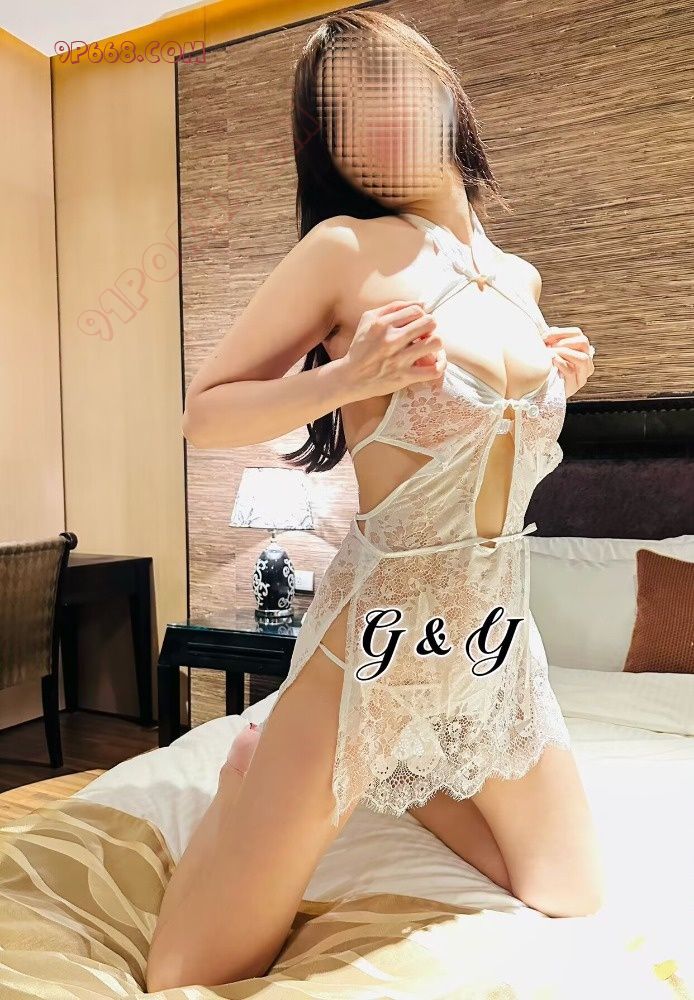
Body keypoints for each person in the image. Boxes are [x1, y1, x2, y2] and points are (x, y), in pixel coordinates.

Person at [147, 8, 601, 992]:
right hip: (374, 641)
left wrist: (555, 377)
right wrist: (345, 379)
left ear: (443, 90)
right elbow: (203, 416)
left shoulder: (518, 283)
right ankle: (254, 770)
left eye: (388, 83)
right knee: (193, 968)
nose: (375, 118)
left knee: (569, 891)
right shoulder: (344, 249)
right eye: (342, 111)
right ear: (329, 148)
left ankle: (413, 778)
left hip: (493, 641)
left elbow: (491, 437)